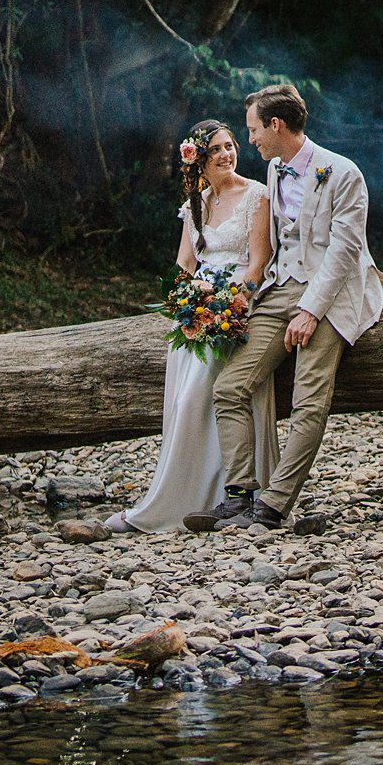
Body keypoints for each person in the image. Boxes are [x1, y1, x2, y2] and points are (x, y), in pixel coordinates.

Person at [186, 81, 383, 532]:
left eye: (253, 129)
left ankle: (274, 504)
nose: (250, 139)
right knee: (229, 387)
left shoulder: (343, 172)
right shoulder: (276, 171)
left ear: (276, 125)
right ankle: (239, 495)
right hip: (281, 289)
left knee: (308, 398)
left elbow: (343, 252)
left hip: (333, 295)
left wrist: (311, 311)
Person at [104, 120, 279, 533]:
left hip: (237, 308)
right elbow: (185, 263)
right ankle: (181, 496)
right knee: (185, 404)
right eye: (215, 149)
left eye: (230, 146)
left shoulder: (257, 195)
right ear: (198, 159)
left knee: (213, 397)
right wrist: (187, 300)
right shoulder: (195, 203)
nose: (226, 154)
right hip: (199, 313)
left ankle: (236, 494)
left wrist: (231, 303)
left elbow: (259, 263)